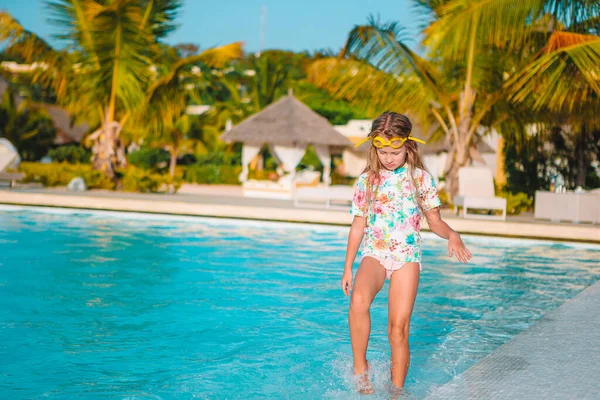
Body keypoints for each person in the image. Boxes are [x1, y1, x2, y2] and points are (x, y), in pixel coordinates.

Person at [341, 111, 472, 394]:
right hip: (375, 253)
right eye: (383, 151)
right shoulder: (367, 181)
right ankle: (360, 368)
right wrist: (348, 266)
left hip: (406, 258)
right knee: (359, 300)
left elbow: (434, 221)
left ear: (408, 145)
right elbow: (358, 225)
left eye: (395, 151)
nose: (389, 157)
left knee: (397, 329)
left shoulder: (420, 179)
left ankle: (396, 392)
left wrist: (452, 234)